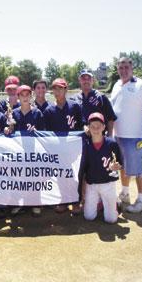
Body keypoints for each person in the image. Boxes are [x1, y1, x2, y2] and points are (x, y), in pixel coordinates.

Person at [110, 57, 142, 213]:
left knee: (139, 169)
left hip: (136, 137)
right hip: (119, 136)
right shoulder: (116, 85)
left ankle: (141, 201)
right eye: (120, 67)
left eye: (126, 67)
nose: (123, 70)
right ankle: (125, 193)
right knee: (123, 167)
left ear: (132, 68)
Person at [43, 78, 83, 214]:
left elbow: (81, 125)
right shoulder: (49, 110)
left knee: (75, 174)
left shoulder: (74, 106)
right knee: (61, 175)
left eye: (60, 88)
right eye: (55, 88)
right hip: (58, 148)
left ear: (66, 89)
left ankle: (76, 202)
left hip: (73, 147)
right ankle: (64, 201)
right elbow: (46, 133)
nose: (57, 91)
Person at [5, 85, 44, 216]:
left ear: (31, 96)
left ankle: (35, 203)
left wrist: (37, 132)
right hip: (18, 152)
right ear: (18, 97)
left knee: (34, 177)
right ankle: (18, 203)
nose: (25, 97)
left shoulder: (37, 113)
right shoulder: (14, 113)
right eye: (22, 95)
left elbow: (44, 134)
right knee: (18, 177)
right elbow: (10, 132)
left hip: (33, 151)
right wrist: (8, 130)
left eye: (28, 95)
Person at [81, 112, 123, 223]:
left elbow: (120, 163)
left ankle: (116, 201)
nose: (95, 128)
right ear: (88, 127)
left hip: (108, 184)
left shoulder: (111, 143)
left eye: (98, 126)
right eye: (93, 126)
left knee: (111, 220)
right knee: (89, 217)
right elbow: (83, 169)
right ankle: (100, 203)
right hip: (92, 185)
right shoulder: (86, 145)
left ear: (104, 127)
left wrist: (116, 166)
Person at [71, 69, 116, 136]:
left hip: (99, 138)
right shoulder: (73, 99)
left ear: (93, 80)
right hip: (79, 139)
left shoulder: (101, 97)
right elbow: (71, 119)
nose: (86, 81)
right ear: (79, 80)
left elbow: (110, 119)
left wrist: (110, 137)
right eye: (83, 78)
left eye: (89, 78)